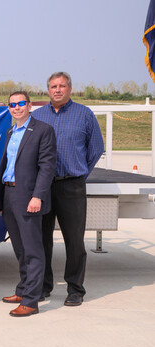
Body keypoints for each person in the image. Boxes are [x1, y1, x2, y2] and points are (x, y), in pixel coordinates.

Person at [31, 72, 104, 306]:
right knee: (42, 240)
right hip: (42, 187)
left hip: (71, 186)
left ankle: (75, 289)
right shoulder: (38, 116)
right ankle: (42, 286)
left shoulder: (84, 114)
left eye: (62, 86)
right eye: (53, 86)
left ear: (70, 89)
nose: (58, 90)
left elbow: (95, 149)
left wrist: (79, 173)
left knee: (74, 241)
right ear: (48, 90)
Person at [0, 91, 56, 317]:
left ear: (29, 106)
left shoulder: (43, 130)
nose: (16, 107)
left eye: (20, 103)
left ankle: (31, 301)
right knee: (20, 248)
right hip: (10, 195)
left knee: (33, 250)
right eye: (12, 104)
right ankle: (23, 289)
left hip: (28, 196)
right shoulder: (11, 131)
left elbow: (47, 167)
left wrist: (37, 196)